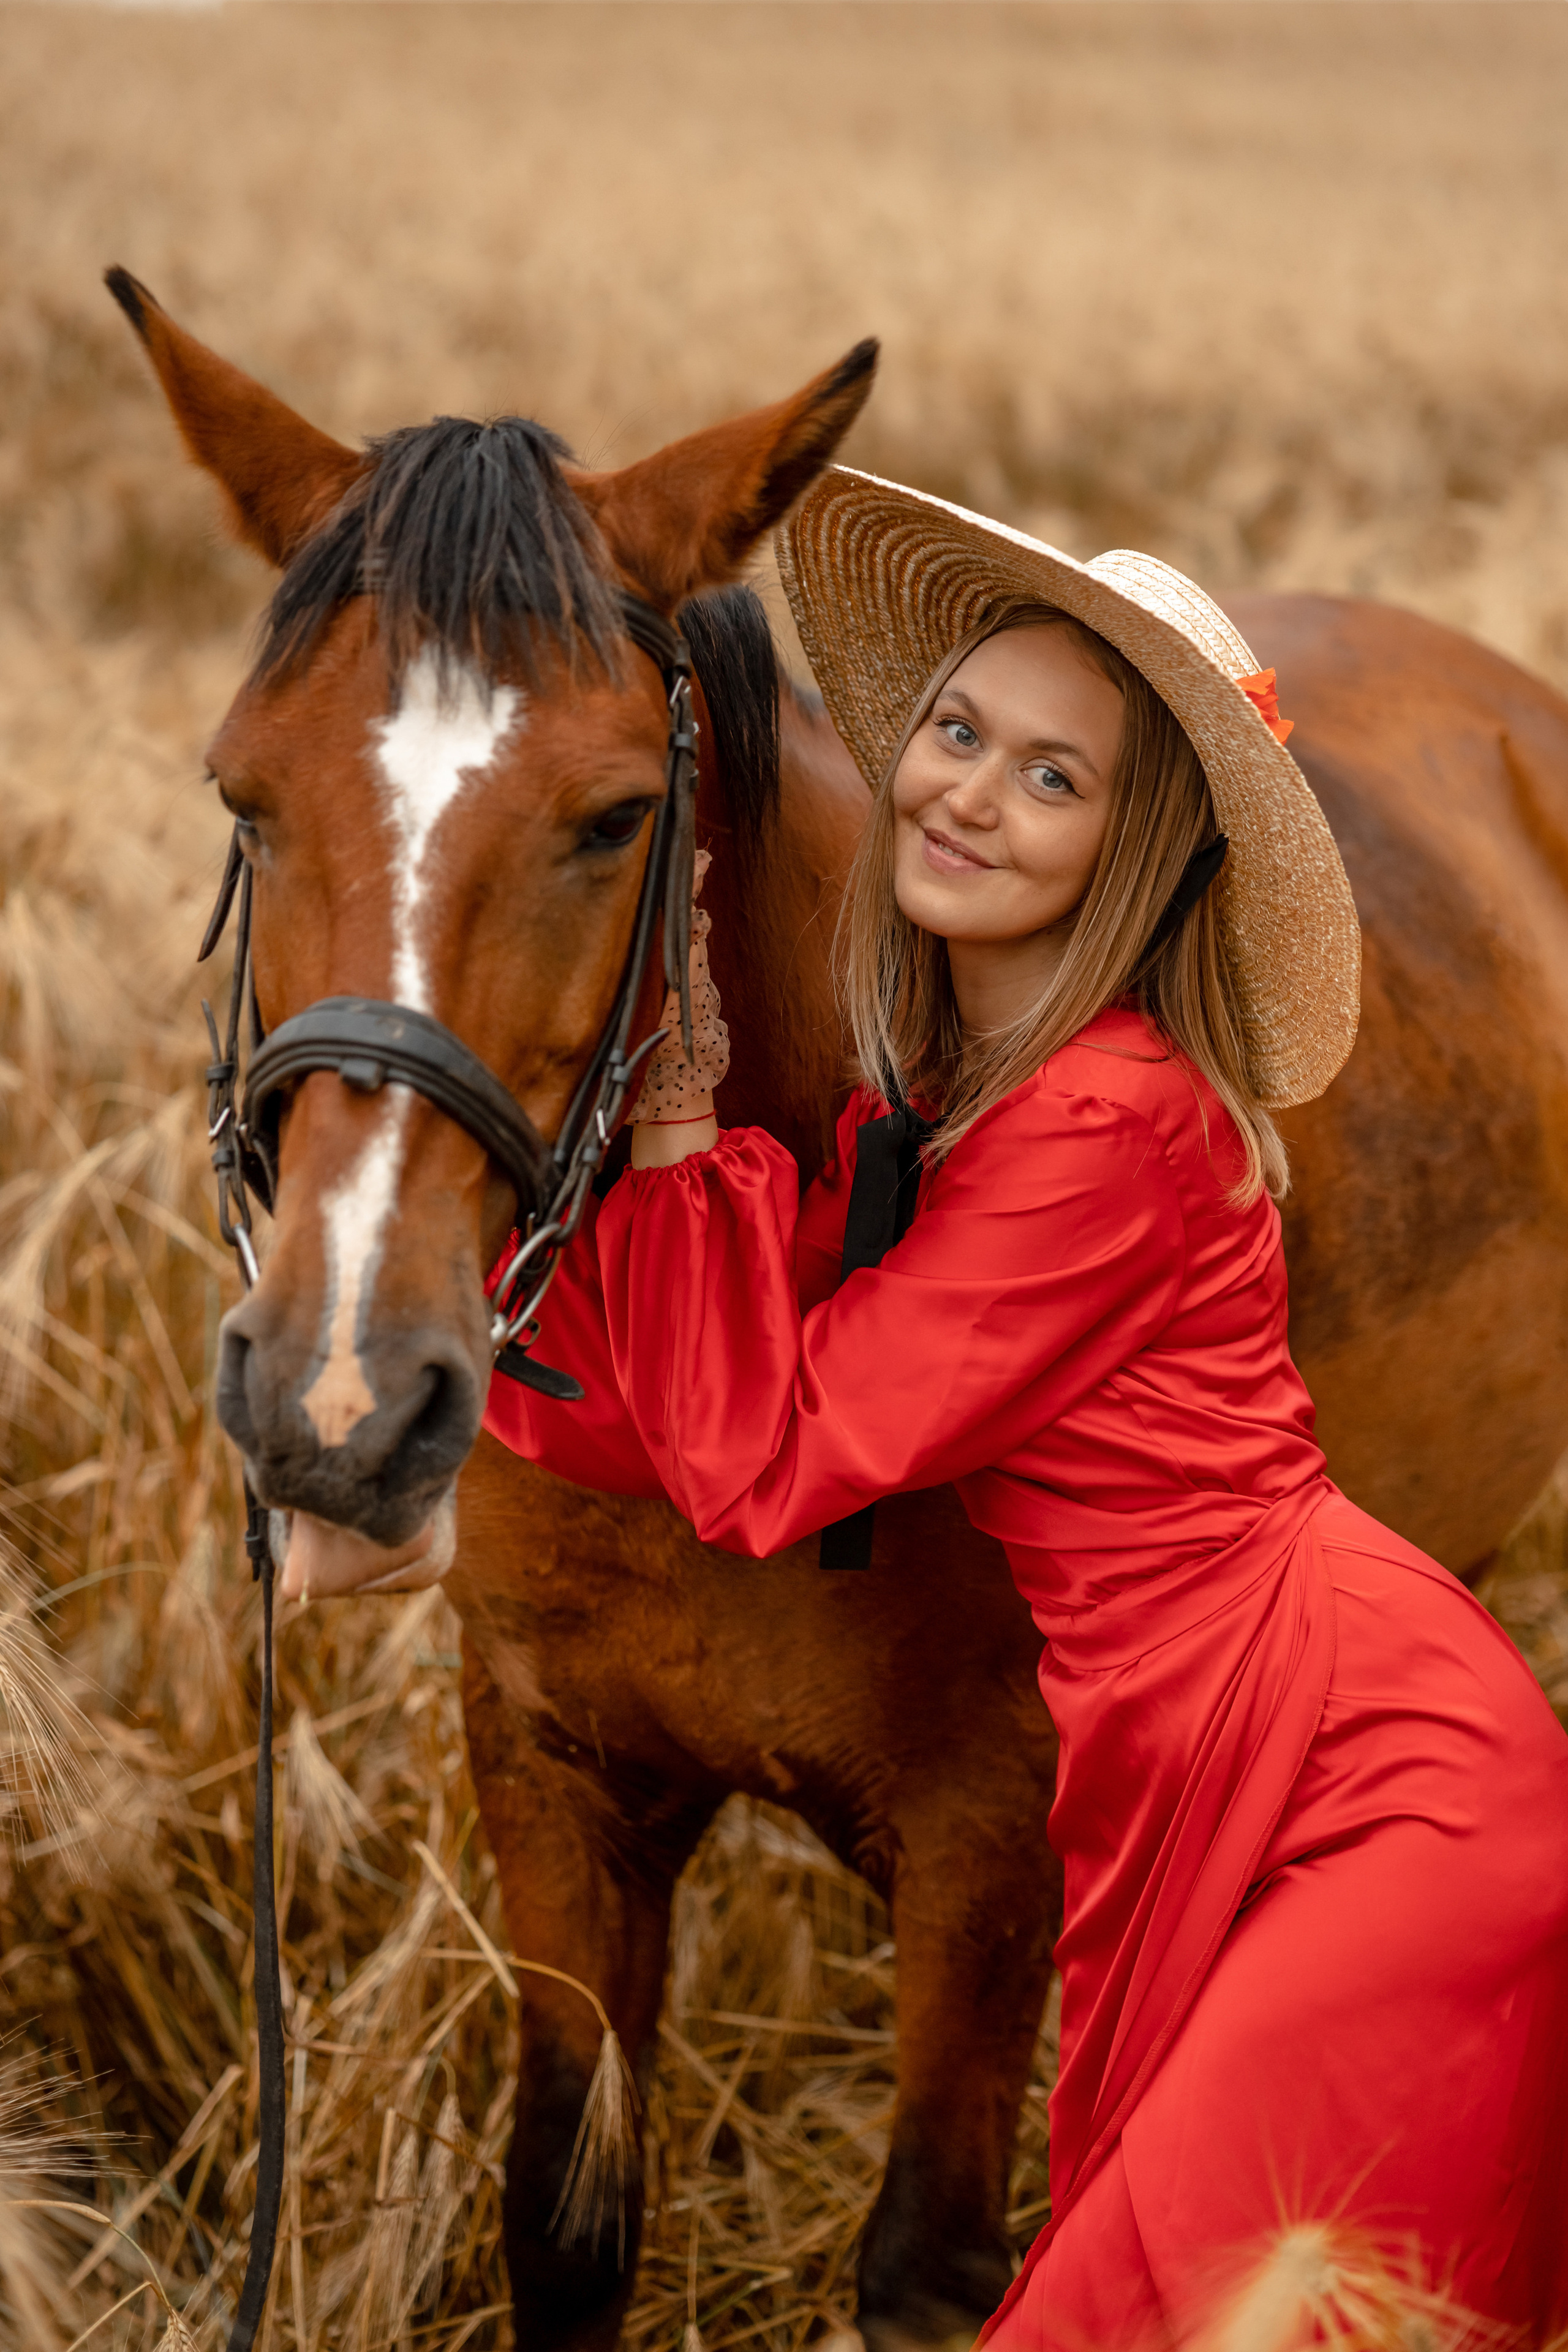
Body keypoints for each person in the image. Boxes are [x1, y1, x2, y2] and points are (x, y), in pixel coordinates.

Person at [483, 469, 1568, 2345]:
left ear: (1135, 858)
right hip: (1194, 1757)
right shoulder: (971, 1081)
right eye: (962, 731)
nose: (972, 790)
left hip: (1361, 1780)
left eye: (1053, 779)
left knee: (1147, 2305)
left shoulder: (1100, 1126)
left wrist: (674, 1131)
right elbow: (671, 1393)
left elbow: (770, 1461)